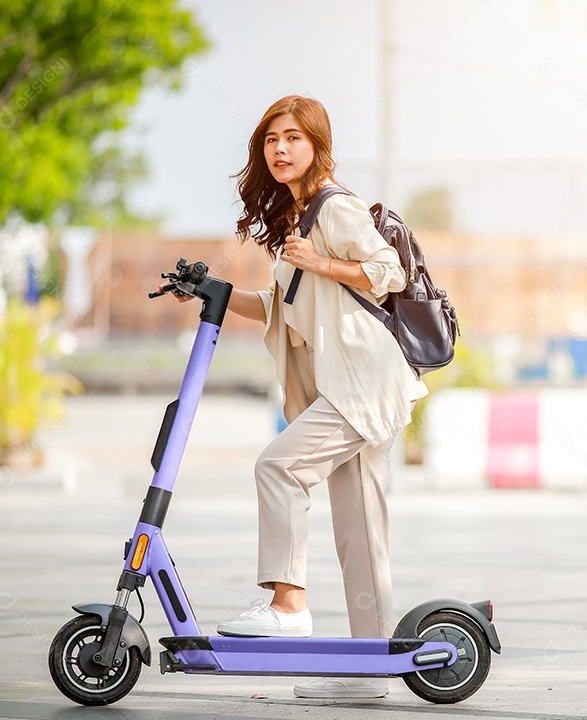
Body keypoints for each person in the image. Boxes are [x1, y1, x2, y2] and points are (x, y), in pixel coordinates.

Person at [163, 95, 427, 699]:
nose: (280, 150)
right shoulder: (297, 220)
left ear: (317, 147)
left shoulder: (334, 208)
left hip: (362, 385)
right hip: (346, 389)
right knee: (360, 533)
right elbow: (281, 311)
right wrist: (216, 293)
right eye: (270, 140)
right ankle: (370, 672)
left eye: (293, 139)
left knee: (278, 467)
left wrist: (326, 263)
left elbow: (391, 272)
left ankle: (287, 604)